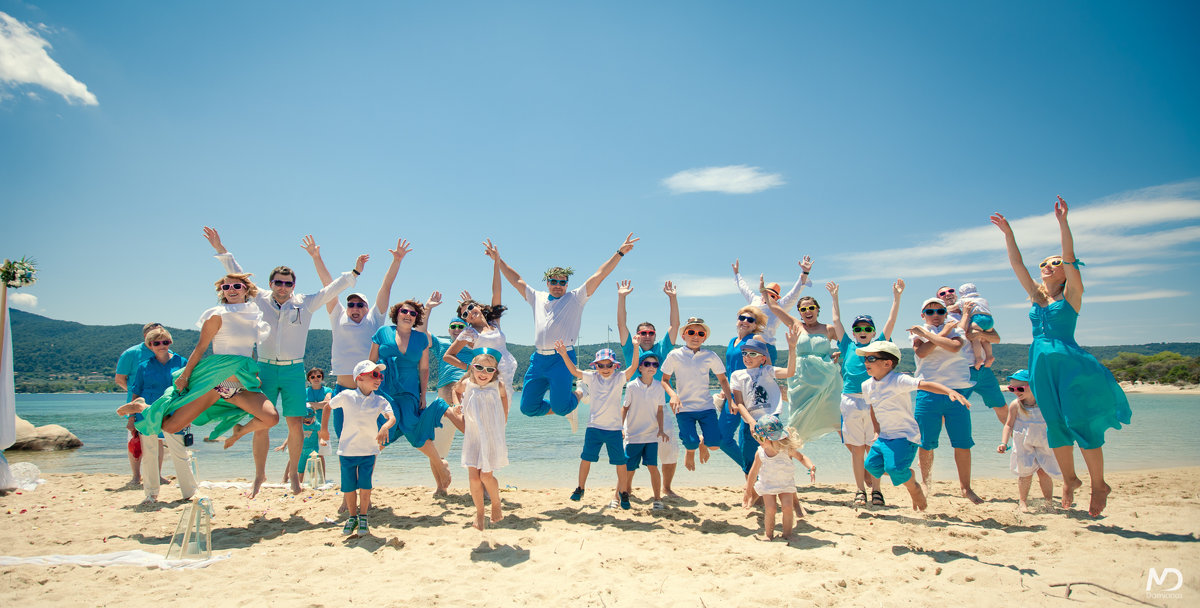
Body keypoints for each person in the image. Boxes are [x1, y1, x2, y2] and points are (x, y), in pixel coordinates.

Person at [992, 196, 1130, 517]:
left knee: (1080, 424)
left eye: (1053, 264)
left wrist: (1062, 223)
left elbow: (1069, 257)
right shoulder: (1037, 299)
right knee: (1055, 425)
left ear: (1065, 273)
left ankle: (1099, 485)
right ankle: (1069, 479)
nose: (1047, 266)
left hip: (1068, 364)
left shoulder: (1071, 296)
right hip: (1040, 366)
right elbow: (1016, 265)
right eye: (1044, 264)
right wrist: (1009, 234)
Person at [204, 227, 362, 494]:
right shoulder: (260, 299)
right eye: (278, 282)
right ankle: (259, 475)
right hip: (264, 368)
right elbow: (237, 272)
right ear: (271, 283)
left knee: (294, 423)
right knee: (263, 423)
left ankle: (295, 478)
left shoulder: (304, 303)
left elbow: (330, 289)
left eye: (288, 283)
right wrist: (220, 248)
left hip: (292, 371)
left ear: (294, 286)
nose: (283, 287)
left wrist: (354, 274)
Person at [118, 272, 280, 498]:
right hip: (216, 381)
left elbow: (248, 350)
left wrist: (250, 375)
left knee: (271, 417)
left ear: (246, 289)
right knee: (172, 426)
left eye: (236, 285)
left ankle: (240, 430)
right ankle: (143, 408)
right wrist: (185, 376)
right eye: (226, 287)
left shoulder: (254, 316)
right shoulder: (217, 315)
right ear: (221, 292)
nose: (231, 289)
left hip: (235, 383)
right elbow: (200, 348)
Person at [485, 234, 639, 423]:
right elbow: (516, 280)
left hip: (562, 359)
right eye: (554, 281)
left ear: (567, 284)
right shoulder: (537, 297)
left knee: (561, 406)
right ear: (547, 282)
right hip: (539, 359)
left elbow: (600, 275)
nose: (558, 285)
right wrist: (498, 260)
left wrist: (620, 252)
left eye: (562, 282)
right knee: (527, 408)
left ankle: (581, 392)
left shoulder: (576, 298)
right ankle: (566, 408)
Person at [304, 236, 408, 441]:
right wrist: (316, 257)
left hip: (370, 392)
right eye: (351, 304)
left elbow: (385, 287)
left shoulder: (374, 320)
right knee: (344, 438)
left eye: (360, 305)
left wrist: (396, 261)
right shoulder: (338, 316)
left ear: (367, 308)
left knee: (373, 439)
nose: (355, 308)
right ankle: (350, 474)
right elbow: (328, 286)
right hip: (343, 390)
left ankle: (367, 473)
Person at [858, 341, 969, 511]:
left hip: (904, 436)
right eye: (865, 358)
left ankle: (914, 488)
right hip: (884, 436)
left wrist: (949, 391)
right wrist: (876, 430)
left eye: (871, 358)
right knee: (871, 466)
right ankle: (906, 474)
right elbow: (873, 408)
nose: (866, 362)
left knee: (894, 469)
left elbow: (925, 384)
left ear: (887, 363)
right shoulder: (866, 385)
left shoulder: (899, 380)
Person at [828, 279, 904, 506]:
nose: (863, 332)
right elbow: (835, 320)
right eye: (858, 329)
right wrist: (834, 298)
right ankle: (860, 490)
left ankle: (877, 490)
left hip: (874, 401)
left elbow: (891, 321)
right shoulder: (847, 346)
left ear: (872, 332)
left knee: (874, 447)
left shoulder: (880, 344)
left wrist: (897, 298)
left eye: (867, 329)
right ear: (854, 332)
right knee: (857, 449)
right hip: (850, 400)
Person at [369, 299, 457, 494]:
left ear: (416, 318)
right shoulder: (382, 333)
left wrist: (423, 395)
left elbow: (424, 369)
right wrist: (368, 390)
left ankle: (439, 463)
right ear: (397, 313)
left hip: (409, 390)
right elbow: (371, 363)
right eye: (404, 311)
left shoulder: (421, 338)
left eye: (413, 313)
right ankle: (365, 478)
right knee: (383, 430)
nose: (408, 315)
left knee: (410, 424)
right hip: (384, 389)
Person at [909, 296, 982, 504]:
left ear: (945, 313)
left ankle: (966, 487)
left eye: (939, 312)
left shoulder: (957, 330)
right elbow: (922, 353)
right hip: (928, 392)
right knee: (926, 443)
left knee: (962, 443)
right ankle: (926, 483)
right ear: (923, 315)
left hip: (956, 391)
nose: (935, 316)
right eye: (929, 312)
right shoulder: (920, 333)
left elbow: (954, 347)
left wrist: (927, 335)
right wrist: (930, 333)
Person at [616, 279, 680, 494]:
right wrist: (622, 297)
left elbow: (675, 326)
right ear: (637, 336)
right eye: (642, 333)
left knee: (669, 449)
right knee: (629, 453)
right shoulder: (630, 348)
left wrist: (672, 298)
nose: (646, 336)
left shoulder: (662, 347)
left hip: (660, 406)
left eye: (650, 333)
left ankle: (667, 488)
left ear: (655, 335)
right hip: (634, 407)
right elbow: (621, 325)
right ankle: (627, 488)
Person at [762, 280, 842, 448]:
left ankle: (860, 456)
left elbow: (847, 345)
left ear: (818, 310)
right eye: (803, 309)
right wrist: (764, 291)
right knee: (796, 422)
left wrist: (837, 353)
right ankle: (784, 461)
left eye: (811, 308)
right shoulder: (796, 325)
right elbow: (775, 308)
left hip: (825, 380)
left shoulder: (829, 329)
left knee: (836, 418)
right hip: (801, 381)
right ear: (799, 312)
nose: (807, 311)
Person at [558, 344, 636, 509]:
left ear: (615, 365)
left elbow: (634, 367)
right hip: (594, 428)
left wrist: (635, 347)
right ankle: (580, 488)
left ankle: (623, 492)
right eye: (601, 365)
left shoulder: (619, 378)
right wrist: (564, 354)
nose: (605, 368)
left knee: (620, 462)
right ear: (596, 366)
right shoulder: (592, 378)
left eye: (609, 365)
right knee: (586, 458)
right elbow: (574, 371)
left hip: (614, 429)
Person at [128, 327, 195, 503]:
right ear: (150, 345)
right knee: (149, 454)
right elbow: (136, 393)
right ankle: (151, 495)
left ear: (170, 343)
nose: (161, 345)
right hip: (148, 413)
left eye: (165, 342)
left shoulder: (182, 363)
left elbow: (190, 390)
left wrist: (189, 415)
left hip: (174, 414)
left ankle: (189, 493)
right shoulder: (144, 366)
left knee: (179, 453)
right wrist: (131, 418)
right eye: (156, 343)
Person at [329, 361, 395, 537]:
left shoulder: (379, 400)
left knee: (366, 486)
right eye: (374, 375)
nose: (379, 379)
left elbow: (391, 417)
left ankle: (363, 517)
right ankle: (352, 517)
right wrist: (322, 430)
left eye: (380, 375)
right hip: (347, 451)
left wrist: (385, 426)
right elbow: (329, 405)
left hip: (369, 451)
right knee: (349, 488)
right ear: (359, 378)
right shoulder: (347, 395)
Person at [661, 317, 733, 472]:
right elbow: (664, 380)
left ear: (704, 338)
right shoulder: (675, 355)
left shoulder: (710, 355)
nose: (695, 336)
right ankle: (692, 447)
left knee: (714, 445)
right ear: (683, 336)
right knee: (690, 442)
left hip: (706, 407)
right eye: (691, 332)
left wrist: (731, 401)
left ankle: (702, 442)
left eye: (700, 334)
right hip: (684, 408)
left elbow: (723, 380)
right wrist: (673, 395)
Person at [453, 349, 510, 530]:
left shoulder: (498, 386)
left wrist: (504, 419)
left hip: (492, 437)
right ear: (471, 368)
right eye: (479, 368)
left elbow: (504, 398)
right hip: (473, 437)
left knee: (486, 476)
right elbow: (456, 390)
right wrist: (456, 405)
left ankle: (496, 503)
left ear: (495, 371)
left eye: (489, 370)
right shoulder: (467, 384)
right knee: (474, 479)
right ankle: (479, 512)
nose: (483, 373)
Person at [729, 332, 800, 476]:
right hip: (751, 422)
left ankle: (785, 491)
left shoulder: (767, 371)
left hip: (771, 421)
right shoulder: (737, 375)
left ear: (763, 359)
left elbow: (790, 372)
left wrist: (792, 348)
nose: (747, 357)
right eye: (745, 353)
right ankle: (754, 495)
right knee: (749, 459)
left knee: (779, 456)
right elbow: (739, 402)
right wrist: (750, 422)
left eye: (752, 354)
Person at [936, 285, 1006, 422]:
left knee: (1001, 406)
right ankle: (926, 442)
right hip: (963, 370)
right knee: (949, 412)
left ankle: (1012, 441)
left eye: (951, 291)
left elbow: (996, 339)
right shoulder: (943, 318)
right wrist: (966, 315)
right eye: (942, 293)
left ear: (956, 294)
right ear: (940, 299)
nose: (948, 294)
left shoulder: (976, 311)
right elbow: (960, 334)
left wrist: (978, 333)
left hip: (984, 370)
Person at [997, 369, 1060, 511]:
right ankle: (1023, 502)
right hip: (1023, 444)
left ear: (1033, 386)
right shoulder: (1016, 404)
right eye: (1011, 388)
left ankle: (1049, 502)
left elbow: (1057, 421)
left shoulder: (1045, 404)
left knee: (1044, 472)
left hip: (1044, 443)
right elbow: (1008, 425)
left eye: (1019, 388)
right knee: (1024, 473)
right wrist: (1003, 442)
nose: (1015, 392)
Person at [742, 415, 812, 541]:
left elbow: (801, 457)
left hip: (786, 484)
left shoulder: (786, 449)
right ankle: (768, 535)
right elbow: (753, 472)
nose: (758, 440)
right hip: (768, 485)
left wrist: (811, 467)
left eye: (760, 438)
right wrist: (748, 490)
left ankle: (787, 534)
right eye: (757, 438)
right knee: (771, 509)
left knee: (787, 507)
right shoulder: (760, 453)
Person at [621, 352, 674, 510]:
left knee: (652, 466)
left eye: (655, 365)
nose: (651, 367)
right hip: (633, 435)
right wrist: (619, 428)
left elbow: (659, 410)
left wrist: (662, 430)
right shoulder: (631, 386)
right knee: (629, 468)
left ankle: (657, 498)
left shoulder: (659, 386)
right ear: (640, 368)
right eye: (647, 364)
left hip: (652, 435)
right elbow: (625, 408)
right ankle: (625, 492)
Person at [115, 322, 163, 486]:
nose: (157, 337)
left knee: (158, 440)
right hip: (136, 403)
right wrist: (137, 391)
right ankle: (136, 476)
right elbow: (120, 379)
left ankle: (158, 475)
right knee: (135, 438)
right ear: (145, 336)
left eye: (159, 333)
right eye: (152, 333)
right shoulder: (132, 353)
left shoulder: (166, 352)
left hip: (158, 403)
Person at [732, 256, 812, 345]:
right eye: (766, 293)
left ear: (777, 299)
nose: (768, 297)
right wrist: (737, 273)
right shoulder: (755, 300)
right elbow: (744, 288)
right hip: (748, 343)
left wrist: (805, 272)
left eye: (772, 296)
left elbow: (794, 293)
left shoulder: (779, 307)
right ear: (762, 292)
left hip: (766, 345)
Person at [428, 314, 472, 458]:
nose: (457, 329)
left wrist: (471, 312)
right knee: (437, 453)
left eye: (461, 326)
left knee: (476, 437)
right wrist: (428, 309)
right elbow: (422, 332)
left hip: (469, 391)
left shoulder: (474, 345)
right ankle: (441, 479)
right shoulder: (441, 343)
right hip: (445, 395)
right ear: (448, 330)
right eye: (453, 326)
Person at [274, 407, 323, 486]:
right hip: (301, 449)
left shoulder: (317, 425)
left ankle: (313, 483)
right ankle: (300, 483)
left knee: (312, 468)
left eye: (308, 420)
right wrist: (284, 445)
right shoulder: (300, 425)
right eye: (304, 420)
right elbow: (291, 435)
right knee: (300, 469)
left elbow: (320, 436)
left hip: (313, 450)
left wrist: (322, 441)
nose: (306, 422)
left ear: (313, 417)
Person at [953, 283, 995, 369]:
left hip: (978, 319)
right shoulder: (982, 299)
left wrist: (948, 308)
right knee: (985, 339)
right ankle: (989, 355)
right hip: (989, 319)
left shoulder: (966, 301)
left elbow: (953, 307)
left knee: (975, 337)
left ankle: (979, 358)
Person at [304, 368, 333, 471]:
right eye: (312, 377)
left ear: (322, 377)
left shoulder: (327, 390)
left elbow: (328, 403)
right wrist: (320, 405)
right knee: (300, 452)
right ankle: (286, 478)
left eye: (318, 376)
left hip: (321, 425)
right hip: (306, 426)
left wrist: (311, 405)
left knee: (320, 454)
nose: (316, 378)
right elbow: (301, 406)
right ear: (309, 379)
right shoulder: (305, 391)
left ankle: (322, 479)